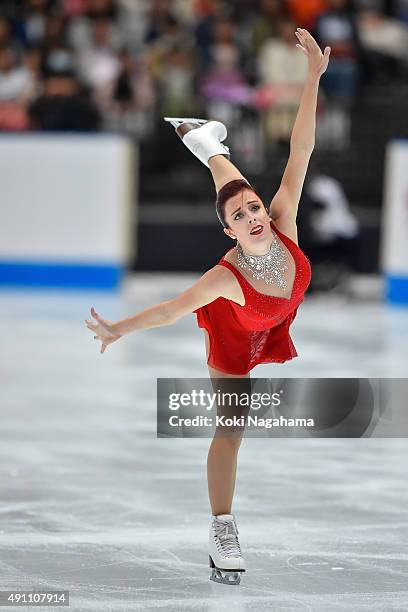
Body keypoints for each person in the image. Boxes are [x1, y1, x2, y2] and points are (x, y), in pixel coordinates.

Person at [85, 28, 330, 585]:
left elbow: (301, 150)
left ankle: (209, 145)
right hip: (236, 336)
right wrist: (119, 328)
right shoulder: (226, 278)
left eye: (253, 209)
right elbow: (172, 309)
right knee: (231, 429)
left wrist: (312, 78)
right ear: (228, 233)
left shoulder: (280, 218)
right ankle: (222, 527)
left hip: (272, 312)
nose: (253, 217)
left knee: (231, 179)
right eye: (241, 218)